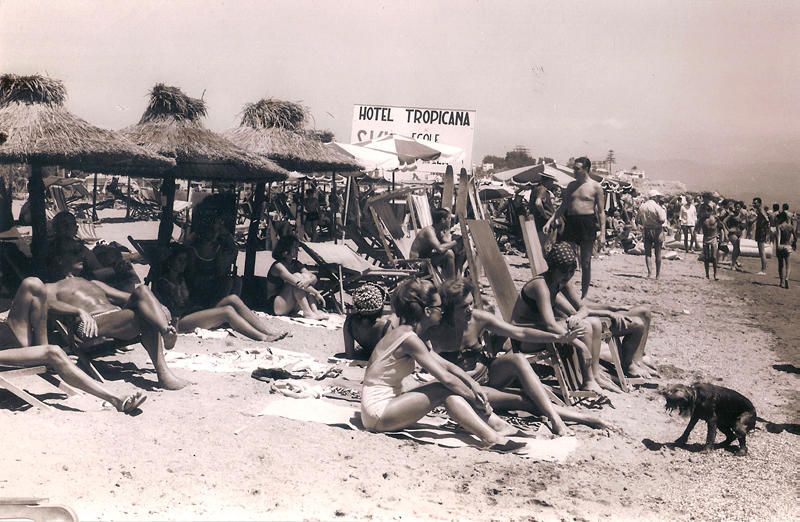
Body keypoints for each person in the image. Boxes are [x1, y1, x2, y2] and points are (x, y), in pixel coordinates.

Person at [425, 279, 613, 435]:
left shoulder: (478, 319)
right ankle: (585, 418)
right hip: (466, 386)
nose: (469, 309)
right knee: (523, 399)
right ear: (449, 309)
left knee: (518, 359)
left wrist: (559, 337)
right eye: (463, 307)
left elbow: (520, 332)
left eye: (471, 303)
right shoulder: (435, 330)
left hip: (490, 373)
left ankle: (556, 419)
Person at [360, 278, 526, 453]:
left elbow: (449, 367)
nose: (443, 311)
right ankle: (492, 437)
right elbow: (446, 378)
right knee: (443, 388)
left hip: (384, 407)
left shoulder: (408, 334)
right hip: (378, 413)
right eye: (440, 308)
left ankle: (496, 427)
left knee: (446, 392)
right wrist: (475, 399)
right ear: (427, 311)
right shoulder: (409, 340)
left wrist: (474, 385)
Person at [45, 244, 189, 390]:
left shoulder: (92, 282)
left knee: (143, 290)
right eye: (74, 252)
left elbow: (127, 297)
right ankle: (164, 371)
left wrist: (157, 306)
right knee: (145, 317)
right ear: (59, 260)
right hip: (92, 324)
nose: (81, 255)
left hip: (118, 316)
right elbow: (49, 305)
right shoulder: (51, 287)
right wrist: (78, 311)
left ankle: (165, 331)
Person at [0, 277, 147, 413]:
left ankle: (41, 346)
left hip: (9, 331)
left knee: (32, 283)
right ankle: (116, 400)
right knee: (53, 352)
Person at [510, 242, 615, 395]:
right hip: (525, 338)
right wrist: (581, 346)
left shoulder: (559, 282)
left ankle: (595, 375)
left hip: (542, 333)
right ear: (552, 269)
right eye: (564, 271)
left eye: (572, 271)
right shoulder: (540, 286)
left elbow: (583, 308)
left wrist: (577, 317)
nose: (568, 275)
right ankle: (588, 381)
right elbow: (550, 325)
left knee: (595, 323)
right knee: (584, 327)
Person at [155, 244, 286, 341]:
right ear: (169, 261)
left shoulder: (181, 277)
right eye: (180, 260)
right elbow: (173, 309)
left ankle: (268, 330)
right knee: (227, 311)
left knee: (233, 299)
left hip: (193, 313)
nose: (184, 264)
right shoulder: (163, 283)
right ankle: (262, 337)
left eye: (185, 260)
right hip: (180, 322)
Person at [544, 157, 606, 298]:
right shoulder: (571, 186)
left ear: (586, 169)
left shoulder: (596, 187)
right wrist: (550, 221)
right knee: (567, 260)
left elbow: (601, 212)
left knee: (585, 262)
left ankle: (583, 295)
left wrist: (602, 233)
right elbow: (563, 206)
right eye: (574, 168)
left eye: (577, 169)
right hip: (571, 223)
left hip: (587, 222)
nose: (574, 171)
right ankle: (563, 291)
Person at [47, 211, 140, 291]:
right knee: (126, 271)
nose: (75, 228)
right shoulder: (68, 247)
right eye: (71, 225)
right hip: (79, 283)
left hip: (79, 280)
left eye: (72, 225)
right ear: (59, 228)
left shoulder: (75, 247)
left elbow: (95, 267)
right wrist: (115, 269)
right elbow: (94, 270)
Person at [265, 234, 328, 320]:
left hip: (289, 302)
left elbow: (313, 277)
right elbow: (296, 282)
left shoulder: (296, 264)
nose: (297, 250)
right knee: (297, 277)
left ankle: (314, 311)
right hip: (276, 305)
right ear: (285, 252)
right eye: (294, 247)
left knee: (305, 277)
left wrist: (308, 281)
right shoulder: (278, 266)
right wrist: (316, 293)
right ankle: (308, 312)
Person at [184, 213, 241, 308]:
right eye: (211, 230)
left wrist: (225, 233)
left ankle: (219, 306)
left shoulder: (217, 248)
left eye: (217, 230)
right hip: (197, 284)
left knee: (234, 281)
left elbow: (222, 268)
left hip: (212, 281)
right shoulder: (194, 249)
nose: (215, 233)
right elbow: (190, 274)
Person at [342, 283, 397, 360]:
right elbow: (388, 356)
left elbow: (350, 355)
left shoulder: (350, 321)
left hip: (366, 353)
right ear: (381, 306)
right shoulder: (385, 325)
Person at [409, 207, 465, 279]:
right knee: (449, 254)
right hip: (416, 263)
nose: (450, 221)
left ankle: (457, 279)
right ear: (443, 220)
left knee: (458, 253)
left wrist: (461, 241)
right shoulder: (429, 231)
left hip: (426, 260)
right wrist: (456, 242)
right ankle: (451, 283)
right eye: (449, 219)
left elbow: (449, 244)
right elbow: (440, 249)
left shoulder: (438, 232)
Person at [636, 190, 667, 279]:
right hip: (657, 230)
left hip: (647, 230)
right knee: (658, 253)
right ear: (654, 197)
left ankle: (649, 273)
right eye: (657, 197)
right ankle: (658, 275)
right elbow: (662, 220)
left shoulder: (642, 207)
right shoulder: (658, 207)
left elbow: (637, 220)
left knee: (648, 253)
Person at [529, 175, 557, 248]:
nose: (552, 183)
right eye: (551, 181)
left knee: (538, 243)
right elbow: (538, 203)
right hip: (542, 220)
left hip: (536, 219)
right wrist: (545, 215)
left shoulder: (535, 189)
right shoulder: (542, 189)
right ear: (547, 181)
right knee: (543, 244)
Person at [701, 209, 723, 281]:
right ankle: (707, 274)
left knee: (713, 257)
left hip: (713, 239)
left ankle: (715, 274)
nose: (707, 212)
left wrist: (722, 239)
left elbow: (721, 228)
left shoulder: (716, 219)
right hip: (706, 238)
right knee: (706, 258)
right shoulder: (703, 219)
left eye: (708, 211)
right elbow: (696, 229)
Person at [775, 212, 795, 289]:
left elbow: (779, 236)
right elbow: (795, 237)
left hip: (781, 246)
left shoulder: (780, 226)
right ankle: (787, 278)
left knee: (780, 265)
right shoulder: (790, 227)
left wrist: (778, 245)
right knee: (788, 265)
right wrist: (793, 243)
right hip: (787, 246)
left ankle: (781, 281)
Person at [752, 197, 770, 275]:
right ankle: (763, 269)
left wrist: (764, 228)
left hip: (761, 232)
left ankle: (763, 270)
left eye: (755, 203)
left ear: (759, 203)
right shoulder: (759, 210)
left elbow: (767, 220)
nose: (753, 204)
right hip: (760, 231)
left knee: (762, 251)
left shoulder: (761, 210)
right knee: (761, 251)